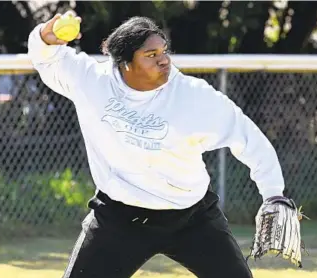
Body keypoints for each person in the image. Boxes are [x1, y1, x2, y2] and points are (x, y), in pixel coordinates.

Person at [28, 11, 286, 278]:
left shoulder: (194, 96)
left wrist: (273, 193)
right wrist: (44, 38)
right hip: (119, 218)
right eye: (151, 55)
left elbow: (249, 139)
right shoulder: (92, 81)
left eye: (164, 51)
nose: (163, 59)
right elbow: (48, 58)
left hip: (192, 218)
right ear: (124, 62)